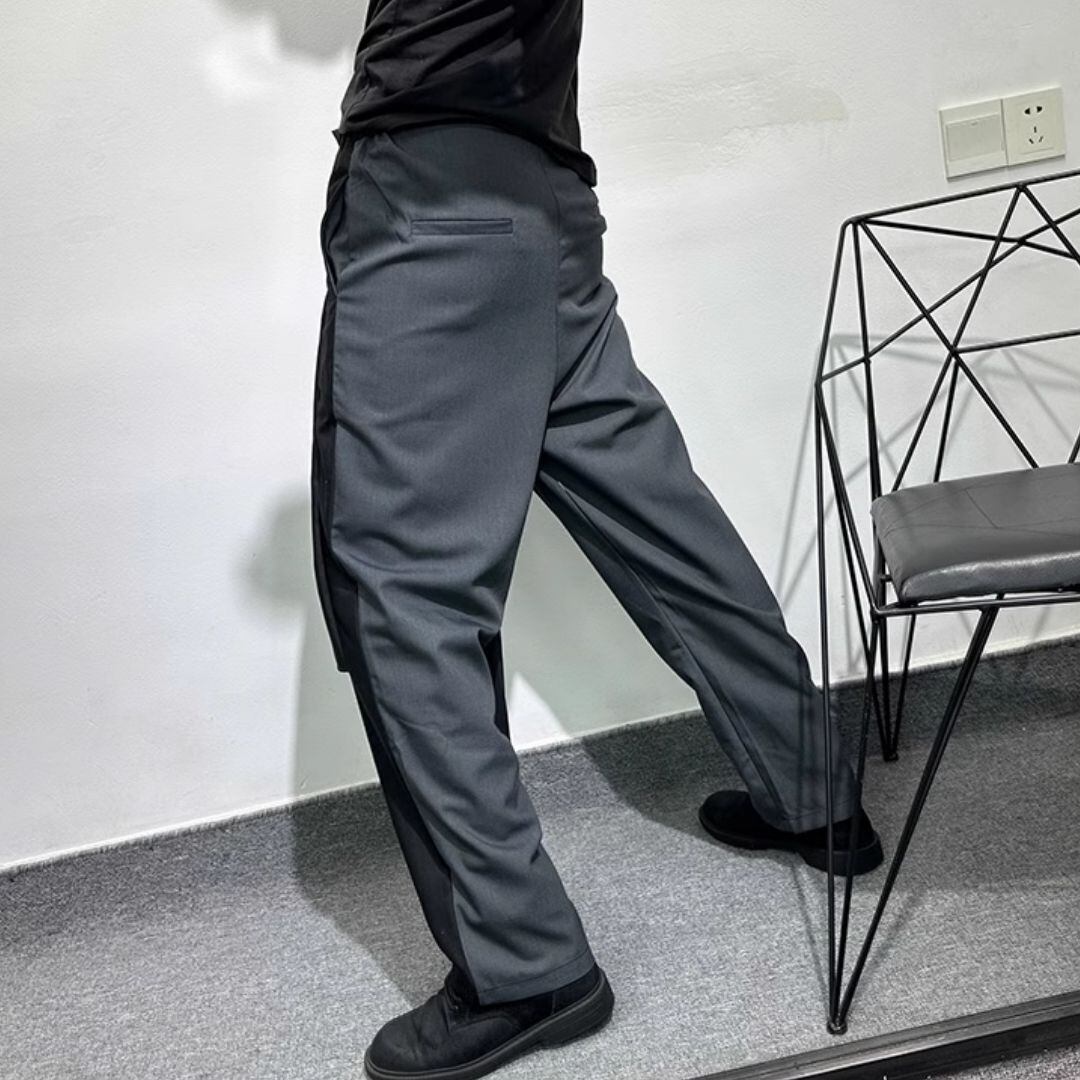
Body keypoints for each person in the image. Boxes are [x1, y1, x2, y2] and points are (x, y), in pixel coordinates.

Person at [309, 3, 883, 1078]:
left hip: (433, 200)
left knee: (403, 593)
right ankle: (814, 791)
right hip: (544, 194)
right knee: (658, 518)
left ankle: (523, 968)